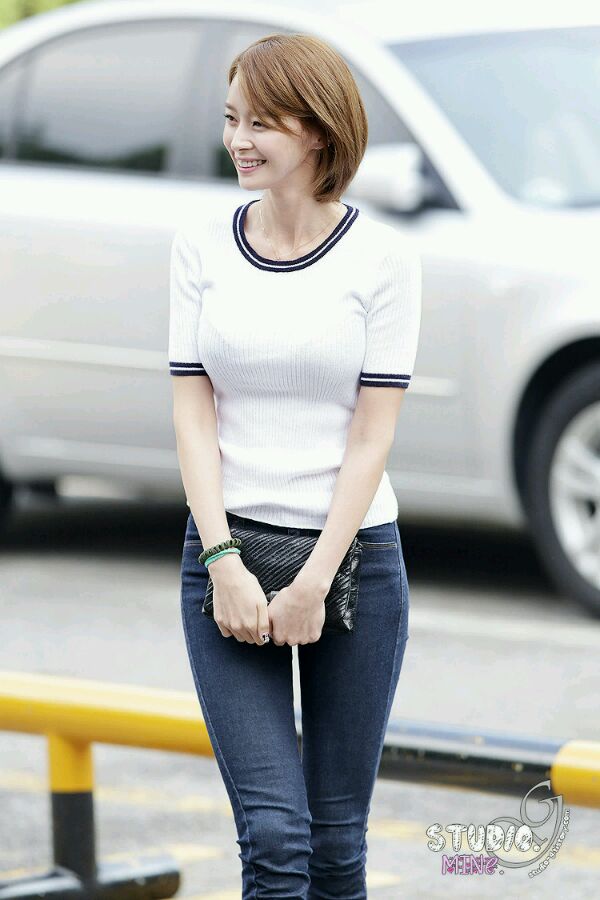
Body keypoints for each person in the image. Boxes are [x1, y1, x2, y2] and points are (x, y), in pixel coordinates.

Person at [169, 31, 422, 900]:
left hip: (355, 562)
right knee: (275, 840)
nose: (237, 140)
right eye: (231, 119)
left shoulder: (384, 258)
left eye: (260, 123)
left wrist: (313, 583)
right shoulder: (201, 246)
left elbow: (372, 437)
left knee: (336, 845)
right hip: (226, 553)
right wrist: (221, 560)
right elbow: (193, 415)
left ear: (316, 129)